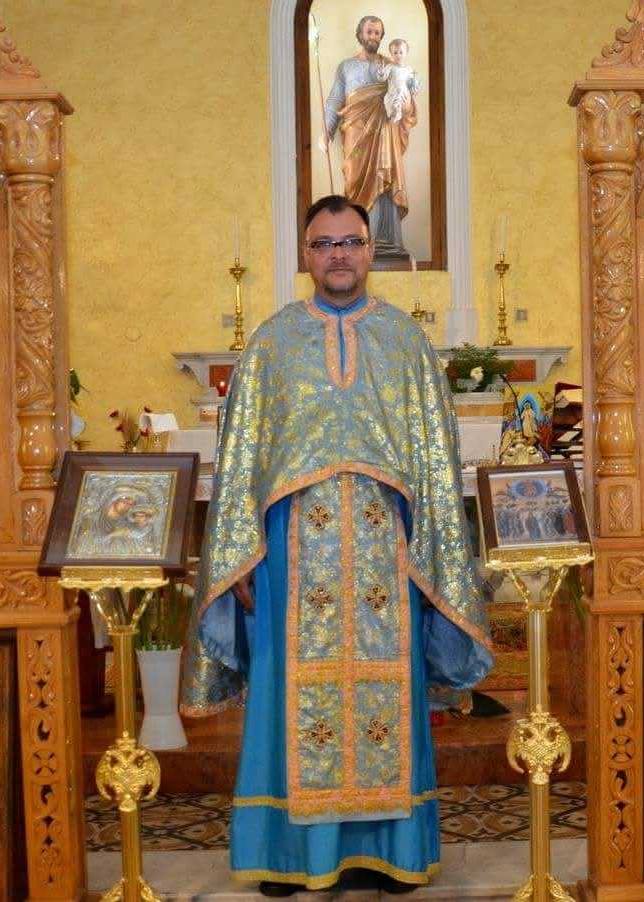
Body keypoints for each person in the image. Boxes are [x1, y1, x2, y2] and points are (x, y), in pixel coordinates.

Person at [181, 195, 492, 895]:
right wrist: (236, 554)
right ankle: (292, 856)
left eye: (350, 241)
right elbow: (241, 460)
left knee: (389, 690)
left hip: (387, 549)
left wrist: (435, 553)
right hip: (291, 552)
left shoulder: (405, 343)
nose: (339, 255)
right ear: (306, 255)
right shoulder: (272, 344)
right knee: (286, 693)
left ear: (369, 250)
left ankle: (388, 851)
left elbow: (436, 461)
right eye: (324, 245)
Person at [323, 16, 418, 257]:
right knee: (356, 183)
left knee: (385, 178)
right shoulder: (346, 67)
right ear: (360, 34)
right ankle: (358, 241)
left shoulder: (391, 65)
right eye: (369, 32)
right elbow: (335, 99)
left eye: (377, 33)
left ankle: (385, 242)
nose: (373, 37)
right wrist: (327, 131)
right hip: (356, 137)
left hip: (384, 134)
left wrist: (406, 104)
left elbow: (405, 97)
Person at [381, 38, 419, 124]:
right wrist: (381, 72)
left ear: (406, 53)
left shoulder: (408, 69)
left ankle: (397, 112)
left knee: (400, 95)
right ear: (391, 54)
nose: (398, 55)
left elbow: (411, 83)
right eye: (395, 53)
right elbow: (383, 78)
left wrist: (415, 87)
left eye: (401, 52)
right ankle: (393, 113)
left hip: (404, 93)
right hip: (392, 92)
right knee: (387, 99)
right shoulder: (390, 66)